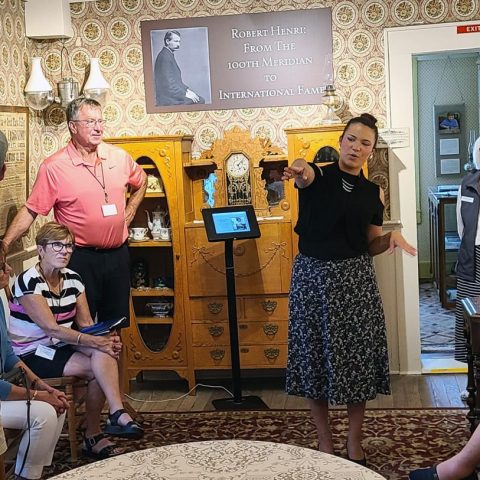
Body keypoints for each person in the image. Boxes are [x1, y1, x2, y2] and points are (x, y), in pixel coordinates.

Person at [283, 113, 416, 465]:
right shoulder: (317, 175)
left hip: (356, 280)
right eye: (351, 139)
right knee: (314, 359)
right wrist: (298, 166)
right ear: (341, 141)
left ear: (371, 151)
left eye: (365, 143)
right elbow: (303, 170)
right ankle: (325, 442)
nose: (356, 147)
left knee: (357, 360)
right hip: (312, 278)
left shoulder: (373, 192)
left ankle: (354, 442)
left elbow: (371, 243)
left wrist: (391, 238)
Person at [0, 96, 147, 324]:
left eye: (100, 121)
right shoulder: (54, 166)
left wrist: (131, 211)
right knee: (80, 326)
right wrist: (6, 243)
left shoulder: (119, 157)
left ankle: (110, 361)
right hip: (78, 257)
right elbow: (31, 210)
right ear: (72, 126)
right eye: (89, 122)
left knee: (117, 325)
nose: (98, 127)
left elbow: (142, 180)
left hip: (118, 254)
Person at [8, 221, 144, 459]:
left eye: (69, 246)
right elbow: (52, 329)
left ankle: (113, 413)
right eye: (57, 245)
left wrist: (106, 339)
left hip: (59, 346)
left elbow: (87, 325)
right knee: (97, 364)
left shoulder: (73, 279)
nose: (65, 251)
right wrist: (96, 342)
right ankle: (95, 432)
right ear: (41, 250)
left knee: (105, 353)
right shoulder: (28, 282)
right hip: (31, 352)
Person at [0, 130, 69, 480]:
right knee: (43, 413)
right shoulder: (27, 283)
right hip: (3, 391)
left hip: (16, 379)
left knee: (56, 405)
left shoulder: (0, 300)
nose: (7, 270)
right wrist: (36, 396)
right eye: (1, 266)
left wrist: (43, 387)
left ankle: (31, 474)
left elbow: (10, 359)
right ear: (41, 250)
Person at [455, 136, 480, 364]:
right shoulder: (467, 183)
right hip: (471, 256)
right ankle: (472, 381)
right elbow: (461, 227)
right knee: (469, 317)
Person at [154, 30, 205, 106]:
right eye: (176, 41)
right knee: (200, 101)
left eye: (179, 42)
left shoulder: (168, 54)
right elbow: (168, 86)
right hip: (167, 98)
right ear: (167, 41)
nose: (178, 44)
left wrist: (187, 90)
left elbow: (176, 82)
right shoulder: (164, 57)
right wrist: (185, 94)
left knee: (198, 98)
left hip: (171, 95)